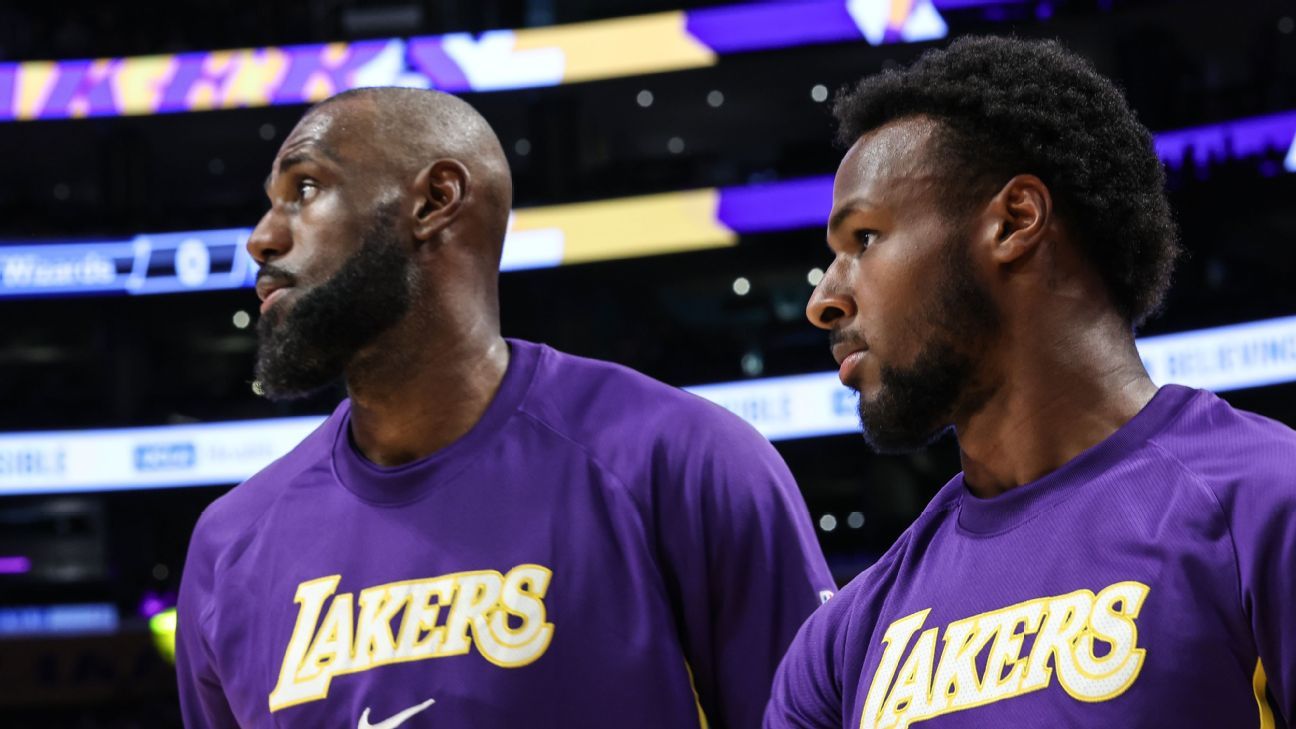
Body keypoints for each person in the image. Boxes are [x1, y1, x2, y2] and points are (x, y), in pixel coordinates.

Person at [176, 86, 834, 728]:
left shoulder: (682, 461)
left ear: (435, 200)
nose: (261, 238)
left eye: (306, 189)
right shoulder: (229, 544)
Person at [766, 36, 1296, 729]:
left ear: (1015, 219)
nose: (824, 300)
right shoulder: (843, 642)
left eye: (863, 239)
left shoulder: (1265, 503)